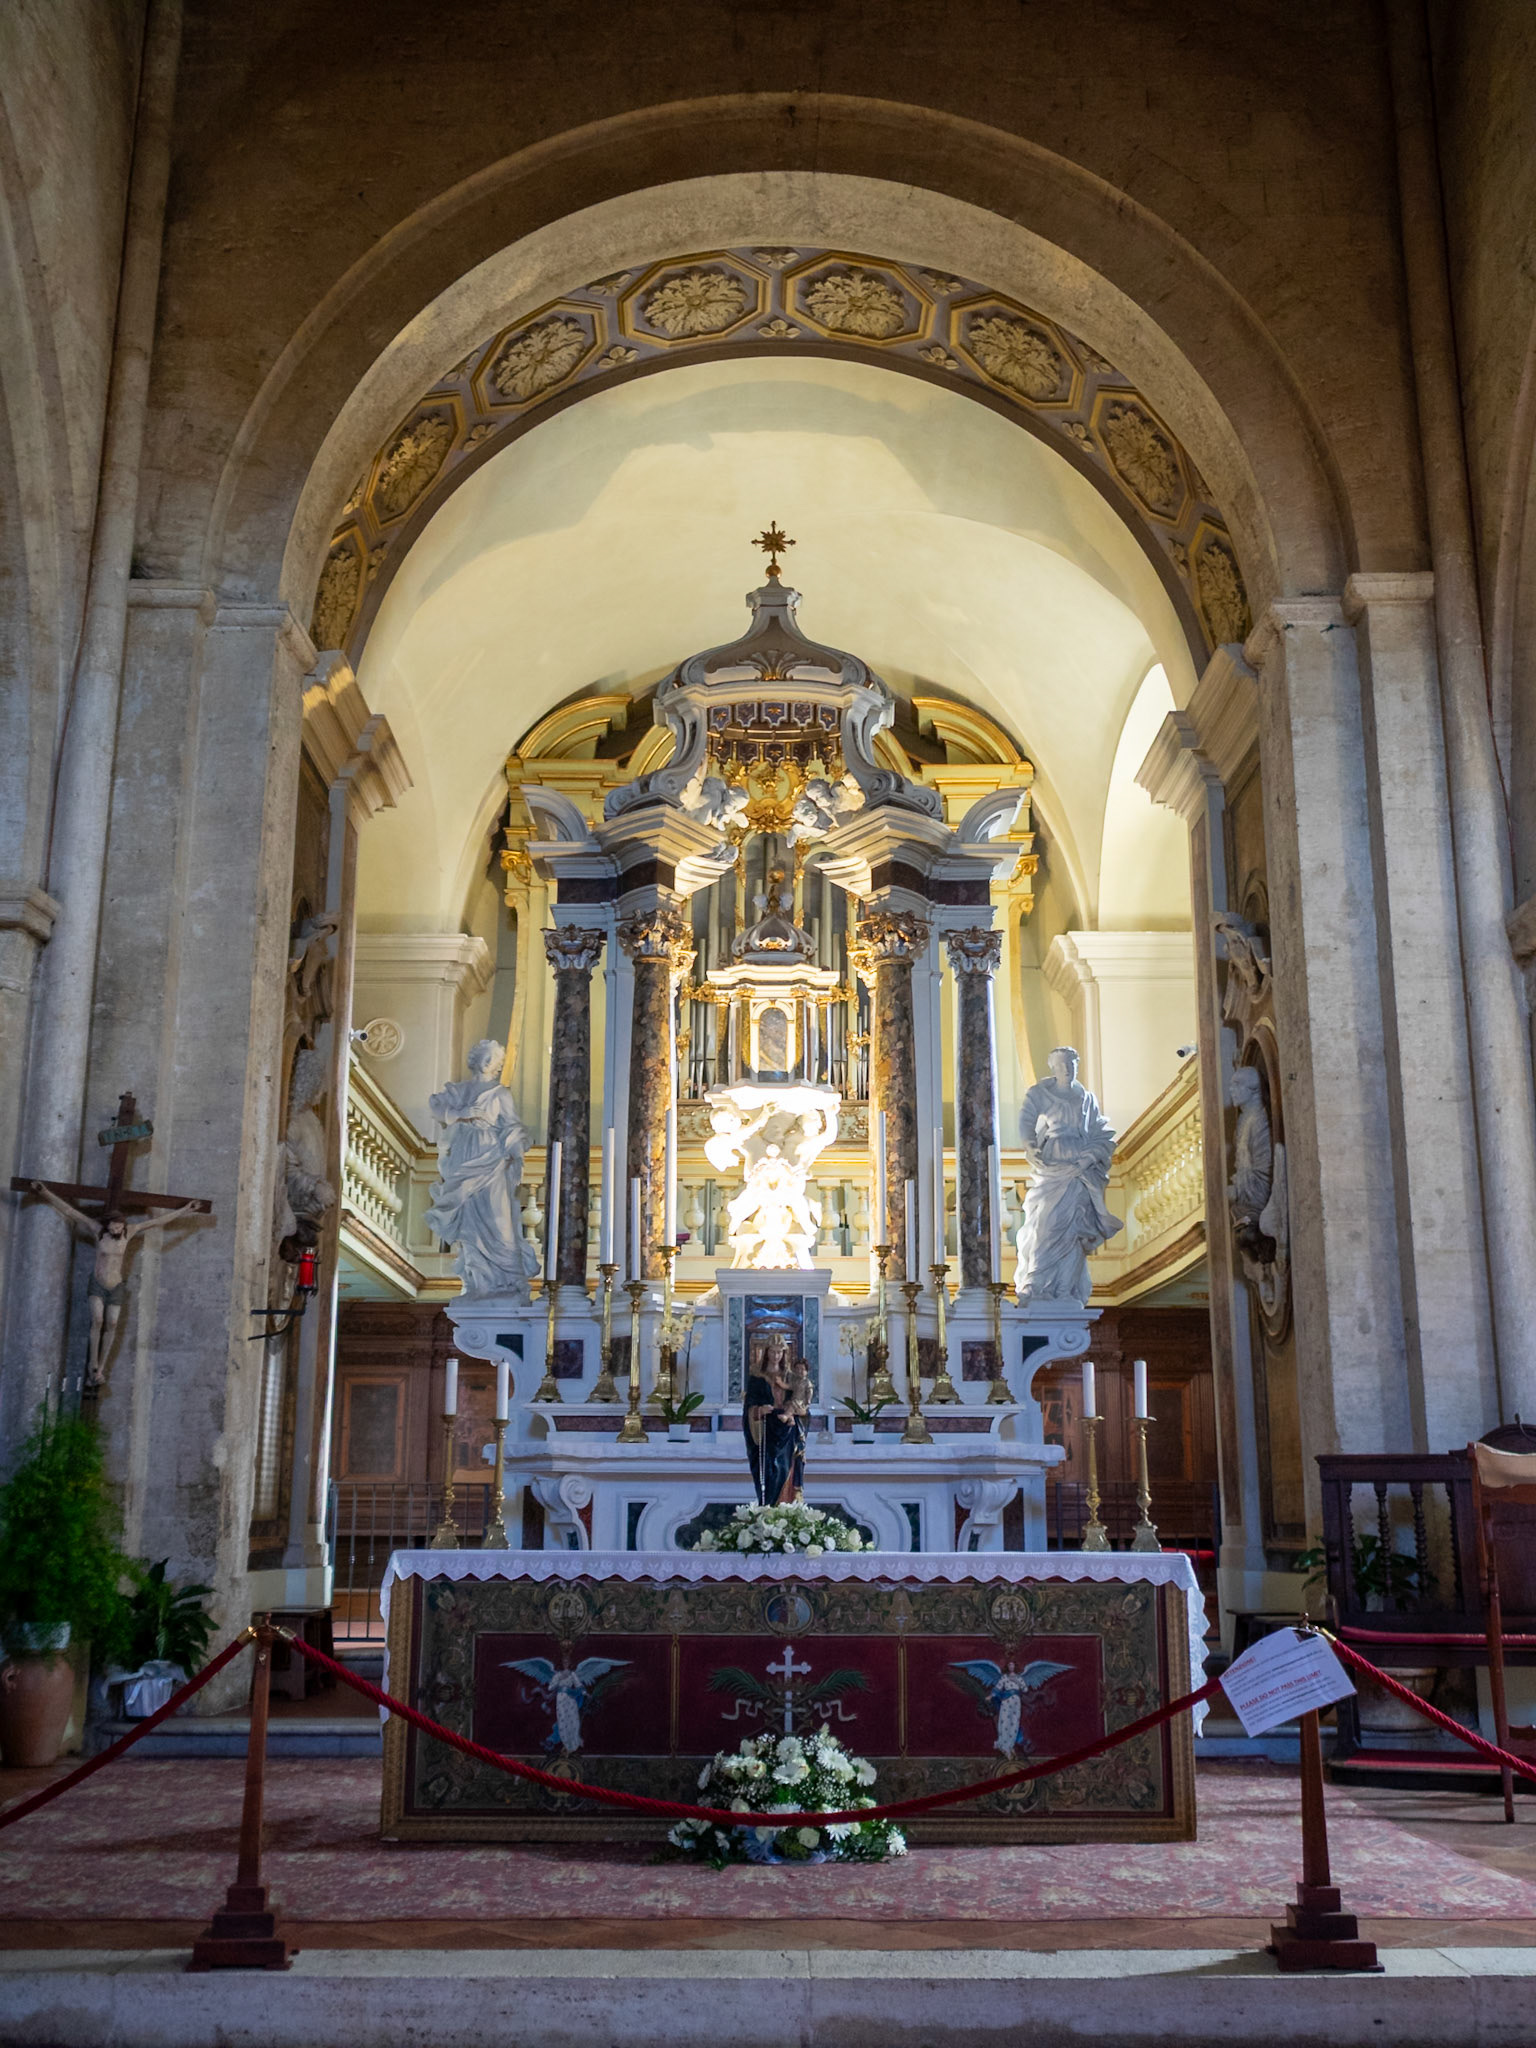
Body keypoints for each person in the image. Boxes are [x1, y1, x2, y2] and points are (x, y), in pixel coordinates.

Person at [29, 1184, 189, 1388]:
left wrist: (185, 1210)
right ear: (108, 1225)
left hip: (116, 1286)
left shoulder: (129, 1232)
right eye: (112, 1226)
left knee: (112, 1324)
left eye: (118, 1226)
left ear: (123, 1225)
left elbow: (158, 1221)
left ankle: (101, 1367)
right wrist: (44, 1193)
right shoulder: (97, 1231)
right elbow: (71, 1212)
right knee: (97, 1319)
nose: (115, 1229)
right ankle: (92, 1364)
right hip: (98, 1284)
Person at [1013, 1046, 1121, 1304]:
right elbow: (1026, 1121)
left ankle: (1065, 1289)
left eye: (1071, 1064)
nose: (1067, 1069)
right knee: (1046, 1225)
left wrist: (1089, 1157)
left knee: (1075, 1230)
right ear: (1052, 1067)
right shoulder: (1041, 1093)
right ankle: (1036, 1282)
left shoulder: (1086, 1098)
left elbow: (1102, 1133)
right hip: (1053, 1163)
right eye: (1061, 1065)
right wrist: (1030, 1146)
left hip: (1080, 1168)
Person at [743, 1340, 806, 1504]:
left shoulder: (790, 1376)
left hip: (786, 1429)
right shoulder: (757, 1378)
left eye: (780, 1352)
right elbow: (749, 1405)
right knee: (768, 1471)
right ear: (766, 1352)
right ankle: (768, 1506)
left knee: (785, 1468)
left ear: (784, 1354)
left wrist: (792, 1410)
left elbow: (801, 1401)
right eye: (773, 1352)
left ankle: (785, 1507)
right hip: (766, 1429)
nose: (776, 1356)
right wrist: (758, 1410)